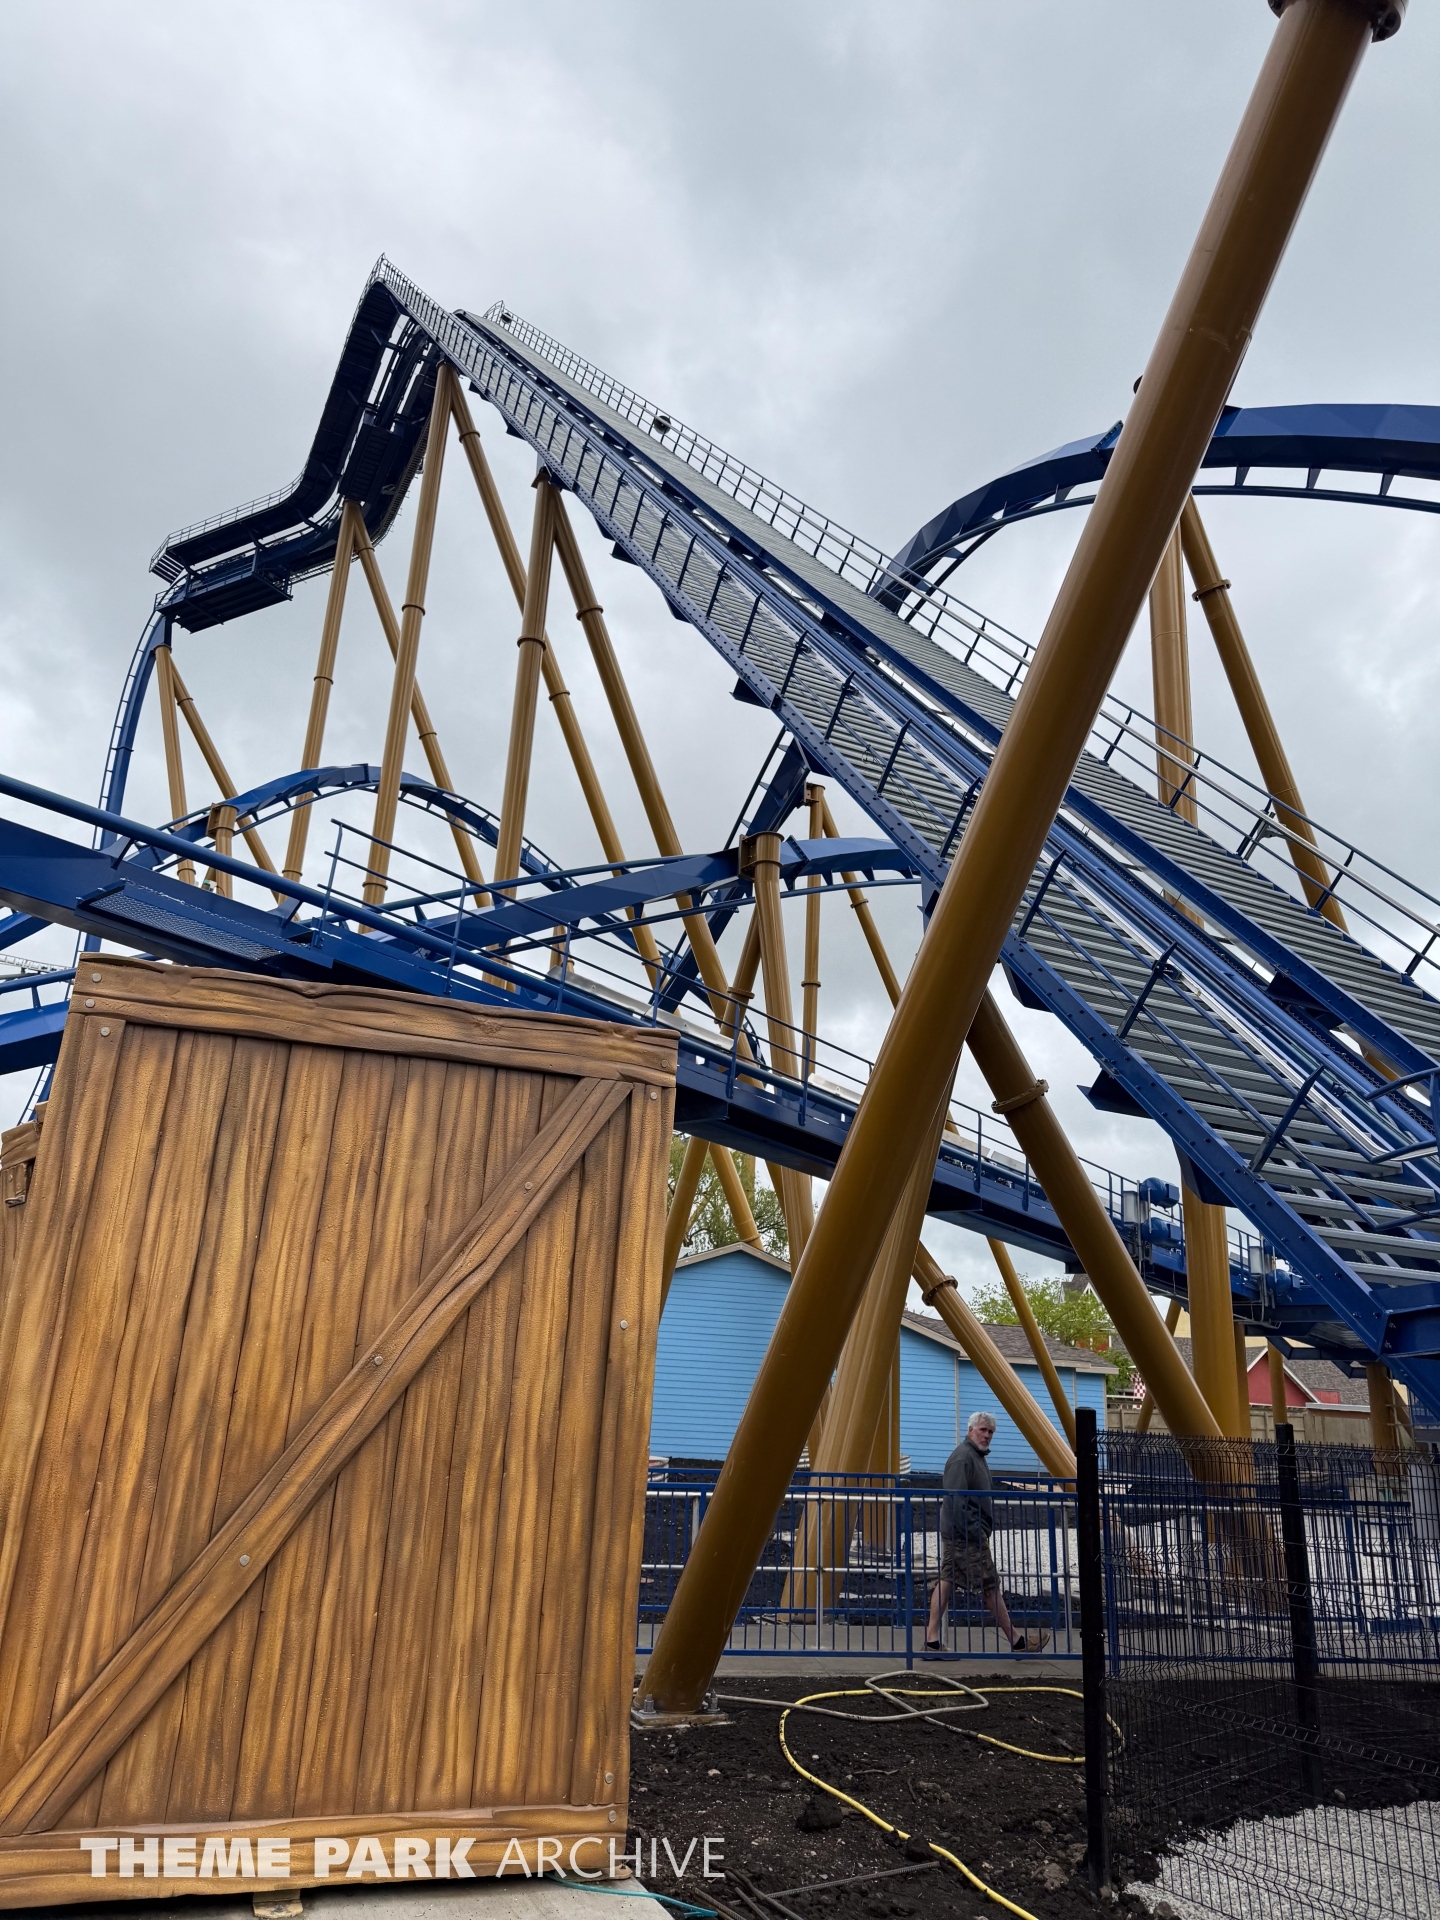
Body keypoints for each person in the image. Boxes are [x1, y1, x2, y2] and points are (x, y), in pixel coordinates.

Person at [925, 1411, 1048, 1655]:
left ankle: (931, 1641)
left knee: (947, 1581)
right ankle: (1018, 1642)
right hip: (966, 1537)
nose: (987, 1435)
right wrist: (975, 1530)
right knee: (990, 1585)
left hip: (960, 1533)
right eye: (983, 1430)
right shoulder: (963, 1458)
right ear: (970, 1430)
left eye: (990, 1432)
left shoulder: (973, 1456)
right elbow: (956, 1500)